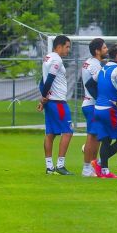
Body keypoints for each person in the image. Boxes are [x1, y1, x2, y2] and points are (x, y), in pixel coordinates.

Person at [38, 35, 74, 175]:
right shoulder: (57, 60)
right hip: (58, 101)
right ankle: (60, 166)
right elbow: (50, 79)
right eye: (67, 46)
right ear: (59, 46)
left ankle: (49, 167)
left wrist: (44, 98)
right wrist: (43, 97)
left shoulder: (47, 57)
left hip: (50, 101)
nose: (68, 50)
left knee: (51, 133)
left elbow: (43, 80)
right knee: (68, 131)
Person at [93, 44, 117, 178]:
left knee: (106, 140)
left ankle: (104, 171)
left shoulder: (102, 69)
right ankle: (100, 163)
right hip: (109, 110)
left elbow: (90, 83)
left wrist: (99, 97)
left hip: (98, 108)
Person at [81, 38, 107, 177]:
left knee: (95, 136)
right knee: (92, 137)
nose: (106, 49)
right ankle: (87, 168)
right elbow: (93, 85)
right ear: (97, 51)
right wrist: (101, 100)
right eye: (104, 48)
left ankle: (92, 165)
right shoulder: (96, 65)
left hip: (88, 103)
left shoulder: (88, 62)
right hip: (92, 104)